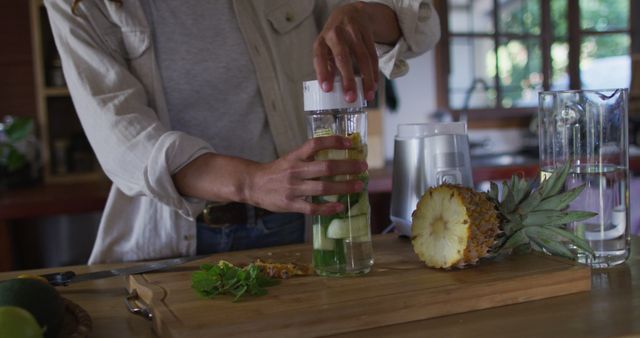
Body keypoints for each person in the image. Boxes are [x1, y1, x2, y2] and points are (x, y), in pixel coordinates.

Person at [44, 0, 440, 264]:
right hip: (168, 244)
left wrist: (361, 14)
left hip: (300, 232)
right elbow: (121, 138)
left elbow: (418, 22)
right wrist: (251, 182)